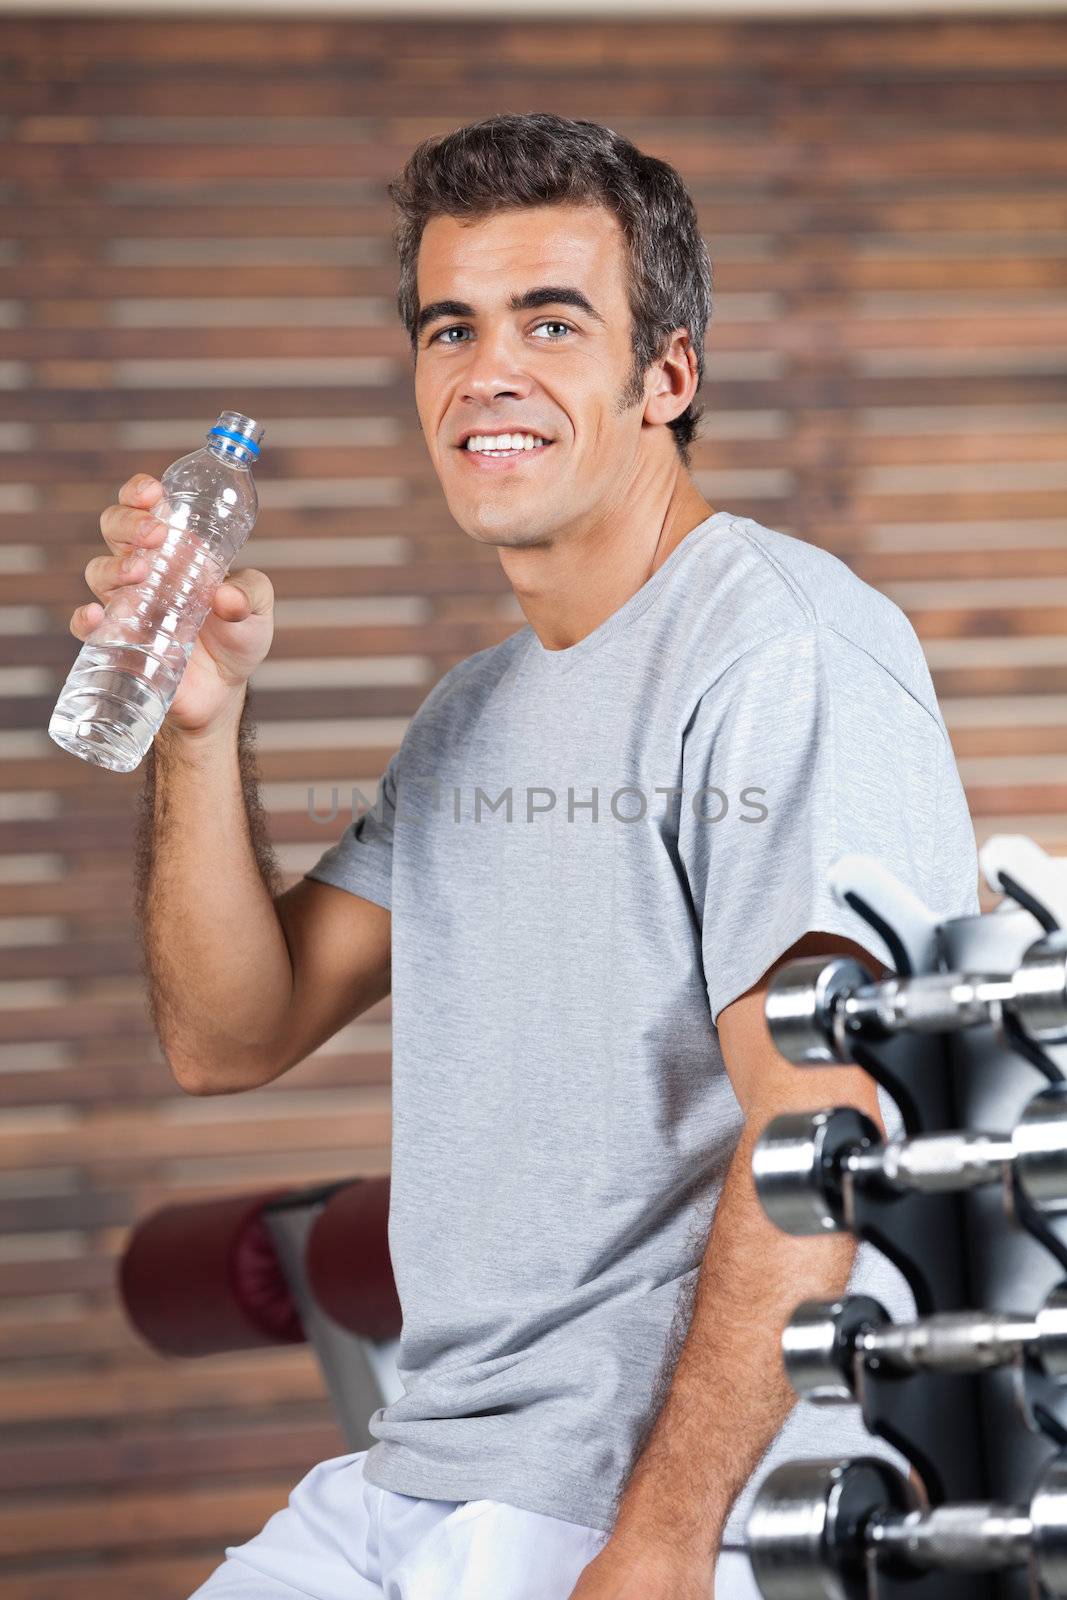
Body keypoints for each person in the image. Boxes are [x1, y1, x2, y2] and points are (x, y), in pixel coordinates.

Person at [78, 114, 980, 1599]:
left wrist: (665, 1544)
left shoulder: (778, 648)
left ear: (666, 376)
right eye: (451, 328)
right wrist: (198, 725)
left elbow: (821, 1122)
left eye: (550, 323)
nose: (486, 370)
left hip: (641, 1500)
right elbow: (229, 1031)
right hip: (421, 1473)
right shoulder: (474, 714)